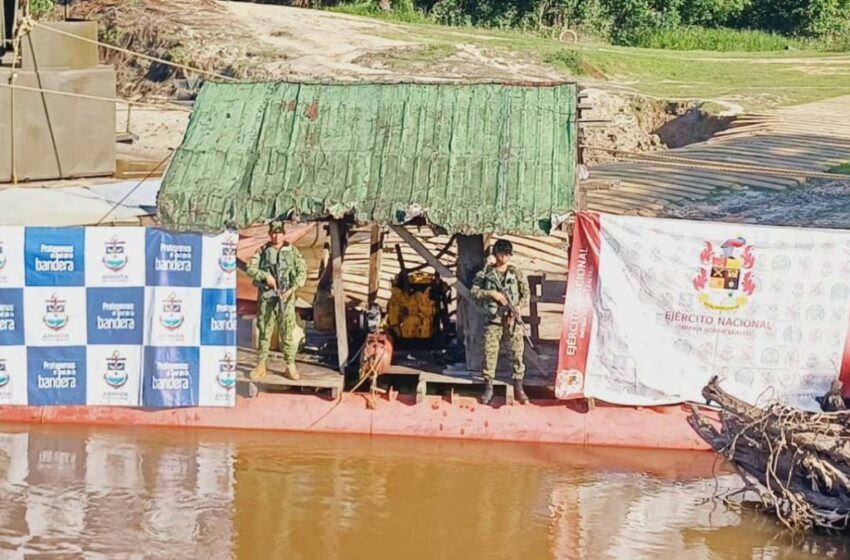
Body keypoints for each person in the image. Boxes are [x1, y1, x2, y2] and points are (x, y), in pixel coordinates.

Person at [245, 220, 307, 381]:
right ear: (269, 234)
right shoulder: (263, 251)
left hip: (286, 297)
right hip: (267, 296)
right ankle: (261, 364)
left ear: (284, 234)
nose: (276, 235)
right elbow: (250, 268)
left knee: (287, 330)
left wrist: (292, 289)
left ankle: (290, 364)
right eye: (273, 232)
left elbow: (302, 272)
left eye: (279, 232)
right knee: (265, 330)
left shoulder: (292, 251)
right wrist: (266, 277)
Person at [470, 239, 530, 405]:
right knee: (489, 355)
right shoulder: (486, 273)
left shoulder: (516, 273)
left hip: (511, 321)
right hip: (493, 320)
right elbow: (474, 292)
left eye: (508, 253)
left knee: (517, 354)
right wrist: (491, 293)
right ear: (495, 254)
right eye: (502, 253)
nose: (505, 257)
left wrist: (517, 307)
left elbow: (526, 295)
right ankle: (488, 388)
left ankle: (519, 387)